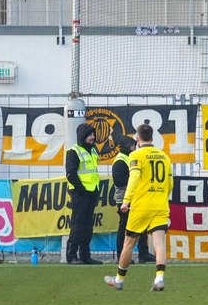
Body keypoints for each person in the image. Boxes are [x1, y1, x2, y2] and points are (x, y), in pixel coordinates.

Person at [104, 124, 172, 292]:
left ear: (137, 138)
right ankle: (159, 278)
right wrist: (163, 197)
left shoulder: (136, 155)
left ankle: (119, 280)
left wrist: (126, 201)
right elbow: (170, 183)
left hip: (141, 205)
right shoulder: (164, 156)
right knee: (158, 242)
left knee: (128, 243)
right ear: (153, 138)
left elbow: (134, 177)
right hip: (160, 205)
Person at [64, 122, 103, 265]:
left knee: (87, 225)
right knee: (78, 224)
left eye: (93, 134)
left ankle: (85, 255)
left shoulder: (93, 150)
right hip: (80, 193)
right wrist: (81, 189)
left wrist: (94, 190)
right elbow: (71, 174)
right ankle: (71, 255)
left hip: (92, 192)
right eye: (90, 135)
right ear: (82, 136)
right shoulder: (73, 151)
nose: (93, 137)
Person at [111, 135, 153, 265]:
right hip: (124, 199)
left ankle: (143, 254)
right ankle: (121, 255)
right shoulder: (120, 160)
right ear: (125, 147)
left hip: (136, 197)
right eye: (132, 145)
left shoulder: (131, 158)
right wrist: (135, 178)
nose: (134, 148)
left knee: (142, 226)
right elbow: (118, 181)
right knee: (124, 228)